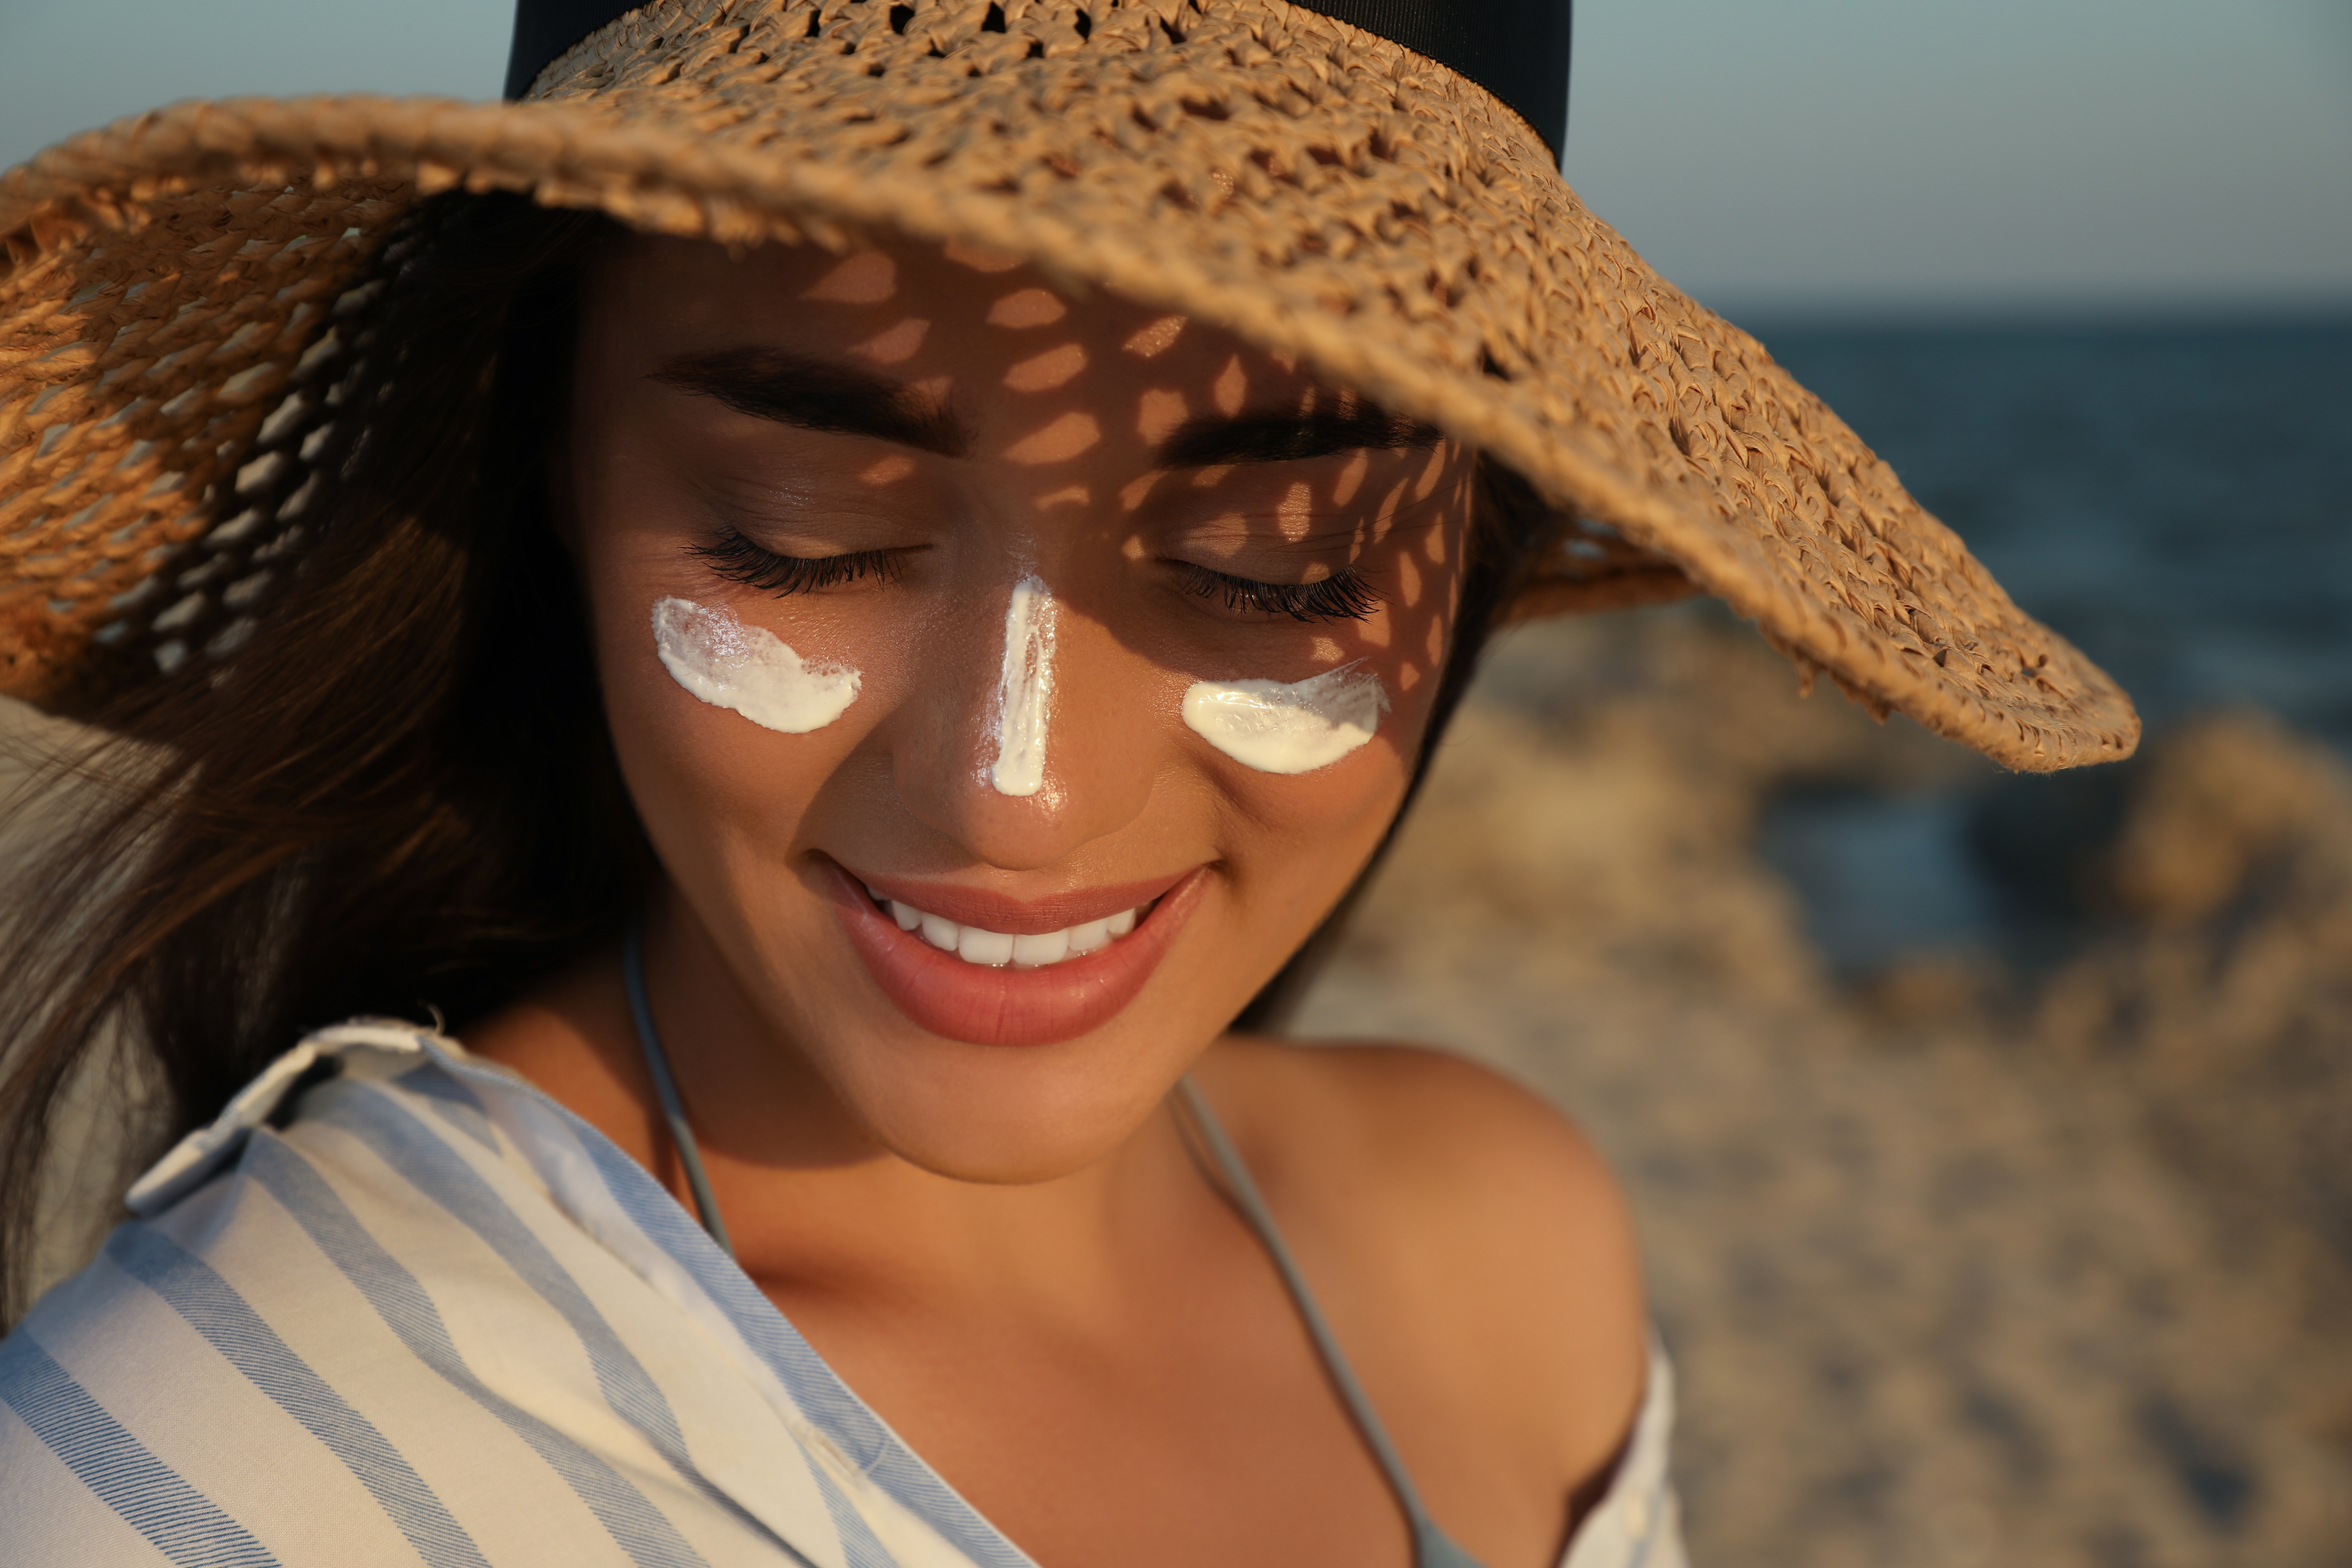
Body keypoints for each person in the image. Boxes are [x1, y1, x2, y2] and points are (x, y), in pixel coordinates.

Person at [0, 2, 2138, 1564]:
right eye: (802, 530)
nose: (1015, 797)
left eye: (1268, 568)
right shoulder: (205, 1469)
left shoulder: (1513, 1257)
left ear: (1473, 539)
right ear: (549, 461)